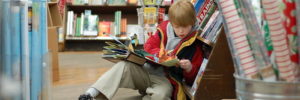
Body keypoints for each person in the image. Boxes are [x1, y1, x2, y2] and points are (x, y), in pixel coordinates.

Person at [79, 0, 204, 100]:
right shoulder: (163, 30)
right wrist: (160, 55)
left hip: (165, 80)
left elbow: (193, 78)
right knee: (123, 66)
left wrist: (189, 68)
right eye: (177, 27)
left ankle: (148, 93)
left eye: (185, 26)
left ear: (192, 23)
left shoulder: (194, 44)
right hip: (146, 71)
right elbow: (149, 46)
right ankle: (91, 94)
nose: (181, 31)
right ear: (171, 23)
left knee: (161, 95)